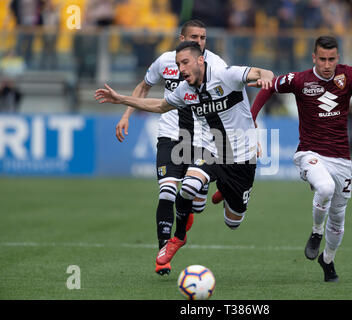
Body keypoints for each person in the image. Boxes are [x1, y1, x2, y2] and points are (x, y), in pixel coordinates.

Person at [95, 41, 274, 272]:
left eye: (185, 62)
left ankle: (227, 191)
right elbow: (160, 105)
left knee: (233, 222)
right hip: (212, 149)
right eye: (178, 64)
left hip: (242, 158)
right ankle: (178, 238)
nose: (181, 69)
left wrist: (266, 77)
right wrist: (122, 99)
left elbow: (261, 72)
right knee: (188, 187)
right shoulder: (185, 90)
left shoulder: (225, 75)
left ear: (201, 60)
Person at [250, 36, 352, 282]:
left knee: (339, 216)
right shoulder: (300, 80)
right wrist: (252, 117)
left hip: (341, 158)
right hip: (309, 152)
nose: (327, 64)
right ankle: (315, 233)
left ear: (338, 58)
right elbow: (269, 86)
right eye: (322, 59)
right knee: (325, 187)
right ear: (314, 58)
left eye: (331, 59)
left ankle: (328, 259)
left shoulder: (348, 75)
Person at [115, 20, 227, 276]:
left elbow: (233, 98)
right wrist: (126, 115)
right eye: (194, 36)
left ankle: (193, 205)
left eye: (203, 37)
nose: (199, 41)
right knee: (166, 192)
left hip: (201, 139)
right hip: (169, 135)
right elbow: (144, 86)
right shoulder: (165, 61)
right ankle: (163, 253)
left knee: (194, 201)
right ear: (181, 38)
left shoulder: (216, 65)